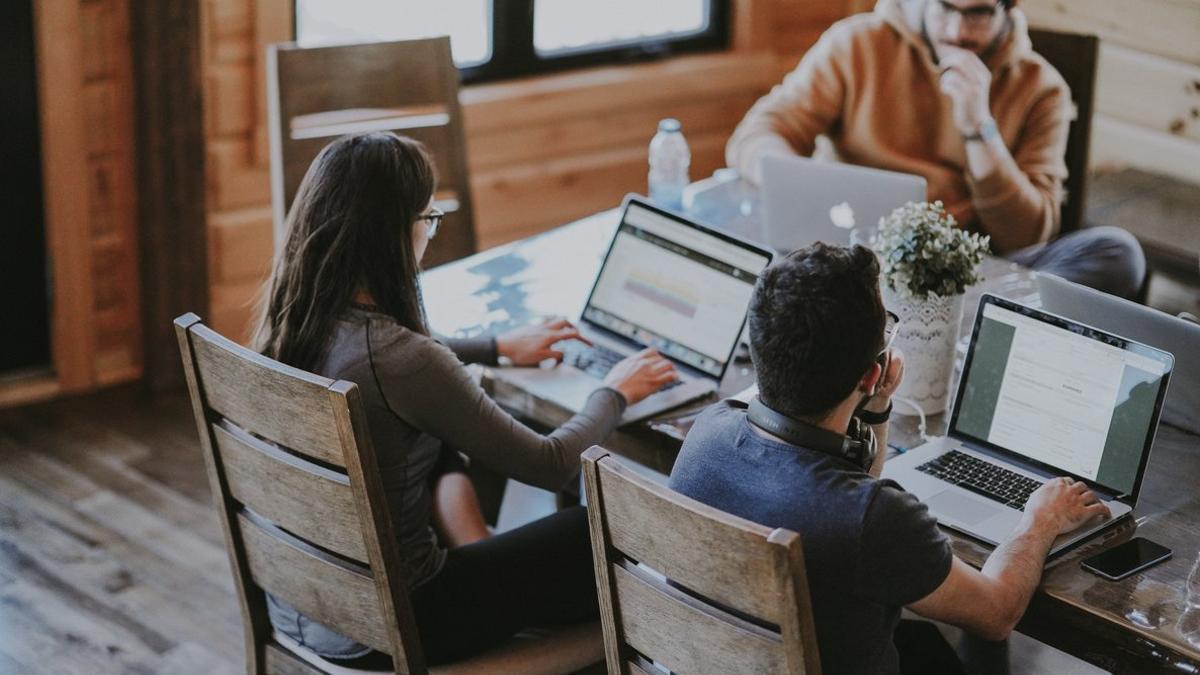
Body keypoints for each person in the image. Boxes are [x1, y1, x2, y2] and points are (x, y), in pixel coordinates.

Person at [253, 131, 678, 668]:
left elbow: (398, 364)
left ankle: (484, 554)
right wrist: (614, 390)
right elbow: (547, 464)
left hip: (304, 602)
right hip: (402, 622)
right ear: (394, 233)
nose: (431, 233)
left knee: (439, 440)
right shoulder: (401, 360)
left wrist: (496, 347)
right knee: (593, 530)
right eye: (428, 219)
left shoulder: (295, 320)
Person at [668, 242, 1110, 674]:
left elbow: (849, 487)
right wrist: (1041, 519)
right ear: (872, 372)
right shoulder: (874, 519)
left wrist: (874, 407)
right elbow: (996, 613)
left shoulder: (707, 432)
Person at [727, 0, 1145, 299]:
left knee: (1118, 253)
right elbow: (758, 133)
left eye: (979, 12)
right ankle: (961, 333)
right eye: (945, 7)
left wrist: (979, 128)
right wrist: (794, 186)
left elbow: (1028, 235)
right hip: (849, 258)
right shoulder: (856, 44)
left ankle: (962, 328)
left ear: (1008, 7)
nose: (957, 32)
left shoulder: (1042, 88)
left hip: (967, 278)